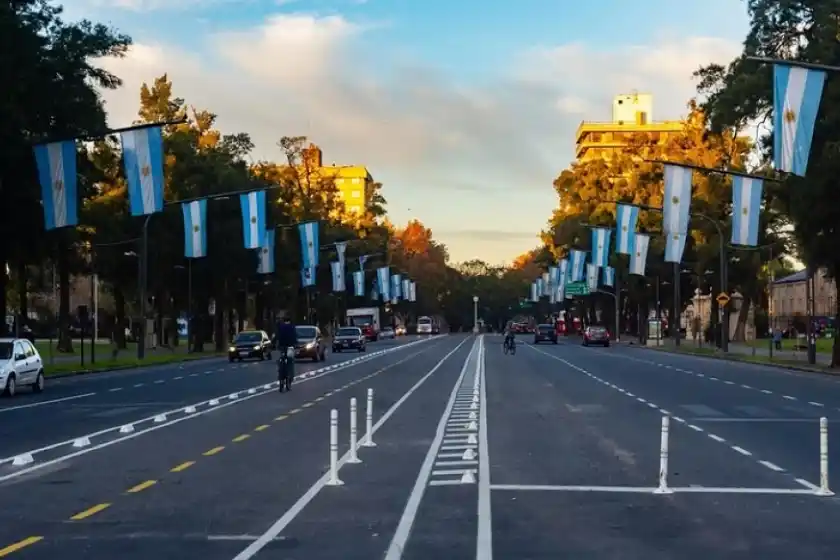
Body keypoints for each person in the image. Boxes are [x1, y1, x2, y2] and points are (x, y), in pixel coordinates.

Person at [274, 316, 298, 390]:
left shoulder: (281, 327)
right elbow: (295, 337)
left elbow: (277, 336)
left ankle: (280, 373)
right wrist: (296, 344)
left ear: (284, 321)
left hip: (282, 347)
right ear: (290, 321)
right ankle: (289, 377)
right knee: (290, 362)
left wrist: (274, 344)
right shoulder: (292, 327)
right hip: (290, 347)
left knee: (281, 359)